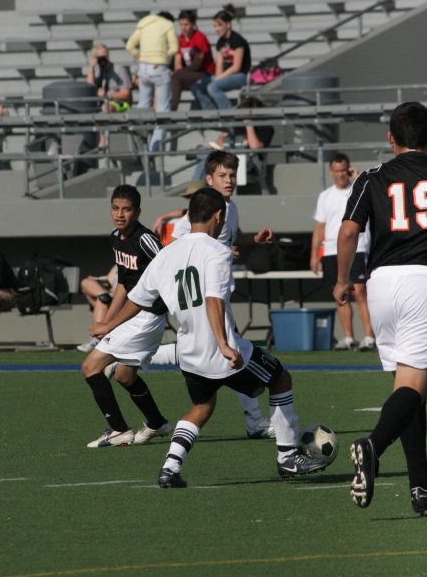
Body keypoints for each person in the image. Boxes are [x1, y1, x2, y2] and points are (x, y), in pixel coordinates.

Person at [91, 188, 327, 487]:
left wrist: (108, 324)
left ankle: (170, 468)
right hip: (222, 351)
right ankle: (288, 456)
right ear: (218, 216)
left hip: (190, 353)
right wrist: (225, 344)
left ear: (188, 216)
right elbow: (214, 299)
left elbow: (138, 298)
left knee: (202, 406)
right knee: (280, 379)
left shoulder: (166, 254)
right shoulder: (217, 251)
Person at [334, 101, 427, 516]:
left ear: (391, 138)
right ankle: (373, 446)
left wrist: (341, 279)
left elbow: (349, 230)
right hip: (422, 280)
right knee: (412, 385)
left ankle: (421, 489)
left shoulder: (372, 177)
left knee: (406, 385)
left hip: (382, 285)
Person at [154, 150, 276, 440]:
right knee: (233, 353)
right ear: (208, 179)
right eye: (222, 175)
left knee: (220, 353)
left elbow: (233, 237)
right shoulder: (198, 213)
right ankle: (256, 422)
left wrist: (252, 240)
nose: (229, 180)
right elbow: (179, 248)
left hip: (218, 295)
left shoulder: (230, 208)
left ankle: (135, 357)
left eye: (232, 175)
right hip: (204, 297)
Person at [81, 184, 172, 448]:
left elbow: (167, 271)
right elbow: (124, 282)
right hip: (134, 315)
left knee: (90, 367)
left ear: (138, 211)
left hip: (147, 317)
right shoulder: (115, 237)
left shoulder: (146, 240)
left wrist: (109, 324)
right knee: (124, 376)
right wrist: (107, 324)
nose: (120, 214)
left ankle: (119, 429)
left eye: (127, 209)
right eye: (115, 208)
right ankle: (157, 422)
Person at [310, 153, 376, 351]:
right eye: (336, 171)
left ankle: (369, 336)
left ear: (349, 169)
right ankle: (348, 337)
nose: (340, 175)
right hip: (331, 250)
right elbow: (319, 228)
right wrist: (315, 254)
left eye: (343, 171)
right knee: (340, 293)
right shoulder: (325, 196)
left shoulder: (358, 187)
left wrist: (356, 179)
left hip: (357, 247)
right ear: (331, 172)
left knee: (360, 291)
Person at [192, 96, 274, 191]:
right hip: (229, 156)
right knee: (205, 154)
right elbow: (220, 142)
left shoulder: (266, 128)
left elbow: (255, 148)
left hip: (250, 160)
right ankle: (196, 191)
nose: (243, 118)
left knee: (210, 159)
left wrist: (249, 125)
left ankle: (197, 192)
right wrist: (223, 137)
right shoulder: (238, 124)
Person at [126, 11, 178, 152]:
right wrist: (163, 58)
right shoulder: (167, 25)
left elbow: (129, 46)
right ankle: (154, 148)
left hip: (143, 68)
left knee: (143, 106)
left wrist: (140, 56)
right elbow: (174, 48)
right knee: (163, 111)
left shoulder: (144, 23)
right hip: (159, 68)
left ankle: (139, 144)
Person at [190, 4, 251, 110]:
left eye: (219, 25)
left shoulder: (237, 40)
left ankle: (228, 113)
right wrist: (218, 76)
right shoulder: (220, 42)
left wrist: (219, 78)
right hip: (225, 75)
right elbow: (219, 66)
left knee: (213, 87)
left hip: (240, 75)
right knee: (196, 87)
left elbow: (236, 67)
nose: (216, 29)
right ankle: (211, 114)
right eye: (214, 26)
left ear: (228, 25)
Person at [86, 44, 132, 148]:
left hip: (120, 103)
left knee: (104, 108)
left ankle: (103, 140)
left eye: (106, 56)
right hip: (100, 103)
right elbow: (89, 87)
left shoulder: (118, 69)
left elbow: (126, 94)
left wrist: (108, 95)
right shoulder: (96, 70)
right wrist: (91, 68)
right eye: (101, 57)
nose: (104, 59)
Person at [171, 10, 215, 111]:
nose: (183, 28)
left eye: (186, 24)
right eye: (181, 24)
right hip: (190, 74)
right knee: (173, 77)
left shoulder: (200, 37)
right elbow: (177, 63)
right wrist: (178, 72)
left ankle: (172, 109)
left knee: (176, 76)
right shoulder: (180, 39)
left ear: (193, 24)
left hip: (205, 73)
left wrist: (179, 73)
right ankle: (169, 109)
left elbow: (197, 65)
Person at [76, 265, 118, 352]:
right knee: (86, 282)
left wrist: (111, 290)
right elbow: (108, 282)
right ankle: (99, 336)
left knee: (102, 298)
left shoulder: (137, 265)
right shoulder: (118, 264)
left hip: (121, 301)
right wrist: (97, 280)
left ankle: (97, 338)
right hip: (109, 296)